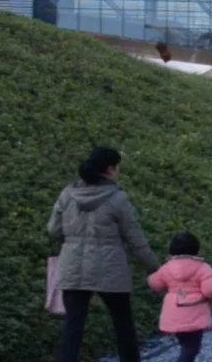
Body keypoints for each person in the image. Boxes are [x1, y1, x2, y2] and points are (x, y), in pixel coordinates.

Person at [48, 146, 161, 362]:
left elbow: (53, 230)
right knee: (123, 323)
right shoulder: (117, 199)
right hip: (110, 269)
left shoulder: (67, 194)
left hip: (73, 267)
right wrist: (156, 267)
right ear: (110, 169)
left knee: (73, 325)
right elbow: (135, 239)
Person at [148, 232, 212, 362]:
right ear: (196, 249)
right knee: (192, 347)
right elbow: (211, 290)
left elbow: (155, 283)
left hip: (174, 313)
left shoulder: (167, 268)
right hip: (194, 312)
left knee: (185, 344)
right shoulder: (203, 268)